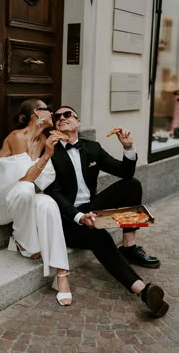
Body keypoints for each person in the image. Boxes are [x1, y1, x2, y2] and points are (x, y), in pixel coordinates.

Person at [45, 105, 169, 317]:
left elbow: (124, 171)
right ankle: (142, 290)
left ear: (78, 122)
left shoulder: (92, 147)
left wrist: (128, 148)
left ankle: (129, 247)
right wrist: (79, 217)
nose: (61, 118)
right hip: (66, 219)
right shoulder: (50, 153)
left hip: (92, 208)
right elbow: (53, 193)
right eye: (57, 117)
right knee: (98, 235)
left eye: (67, 114)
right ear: (55, 126)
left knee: (132, 184)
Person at [0, 98, 72, 306]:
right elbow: (25, 181)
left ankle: (62, 274)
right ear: (36, 113)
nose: (52, 113)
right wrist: (47, 155)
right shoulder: (17, 138)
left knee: (48, 203)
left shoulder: (44, 141)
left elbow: (40, 185)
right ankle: (24, 240)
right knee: (25, 188)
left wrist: (54, 148)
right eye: (48, 110)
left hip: (25, 199)